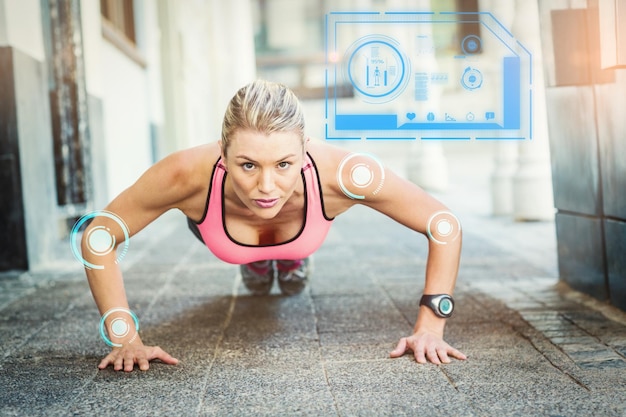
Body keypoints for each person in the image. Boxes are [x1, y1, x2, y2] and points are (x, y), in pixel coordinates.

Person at [82, 79, 467, 372]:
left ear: (305, 149)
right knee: (246, 250)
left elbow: (444, 224)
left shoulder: (345, 173)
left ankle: (287, 261)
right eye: (247, 165)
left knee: (291, 253)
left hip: (302, 234)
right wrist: (124, 339)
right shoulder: (184, 174)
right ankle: (257, 260)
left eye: (284, 164)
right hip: (221, 233)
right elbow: (98, 236)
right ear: (223, 151)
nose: (266, 187)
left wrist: (431, 327)